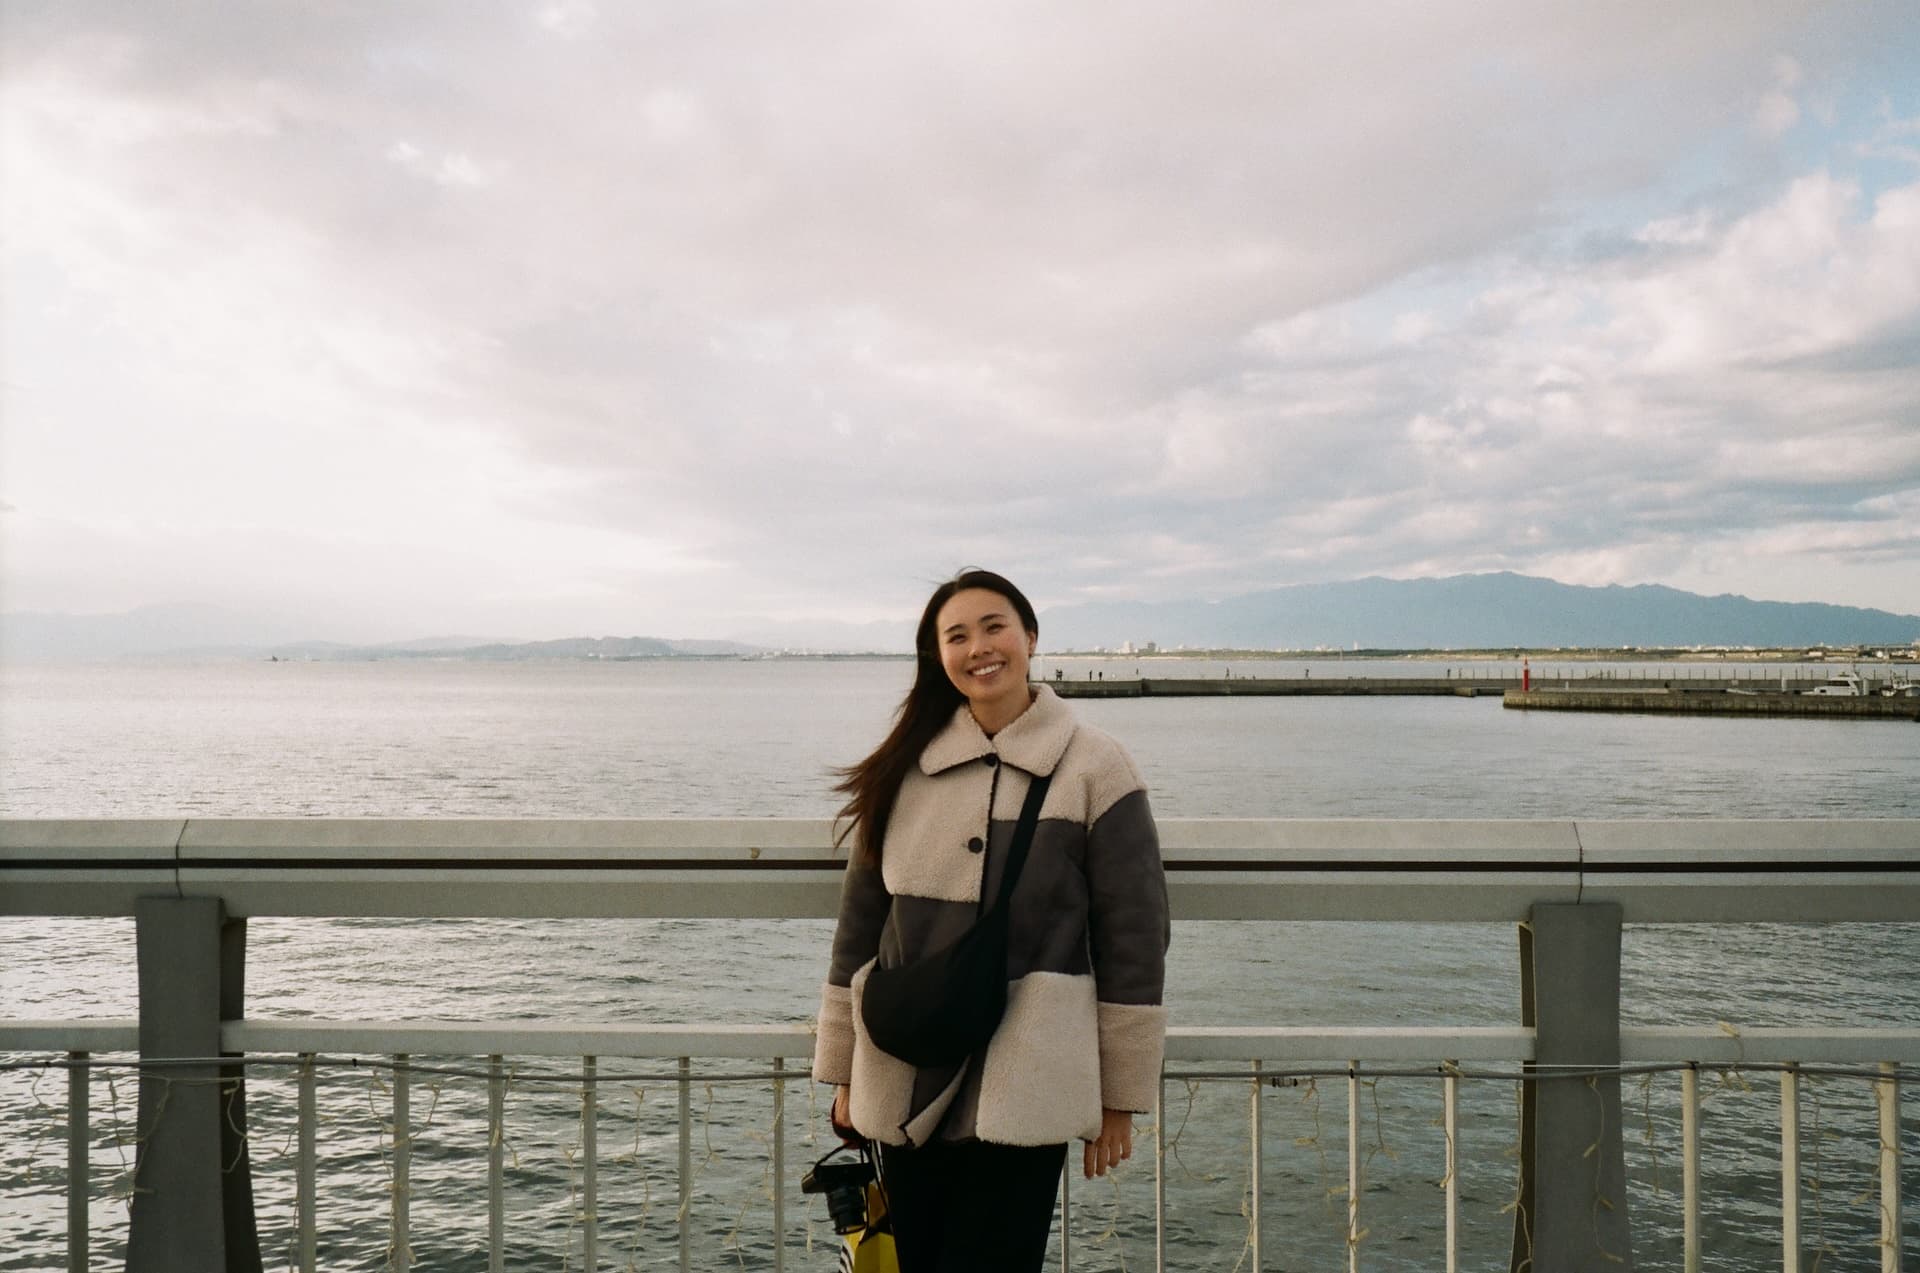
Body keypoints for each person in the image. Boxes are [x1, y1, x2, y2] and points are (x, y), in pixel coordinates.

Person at [812, 569, 1169, 1271]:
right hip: (905, 1071)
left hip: (1029, 1076)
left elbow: (1135, 934)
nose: (979, 646)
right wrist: (844, 1070)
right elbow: (859, 927)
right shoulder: (905, 768)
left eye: (994, 626)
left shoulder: (1097, 766)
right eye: (956, 634)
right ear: (937, 655)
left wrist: (1121, 1095)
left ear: (1031, 636)